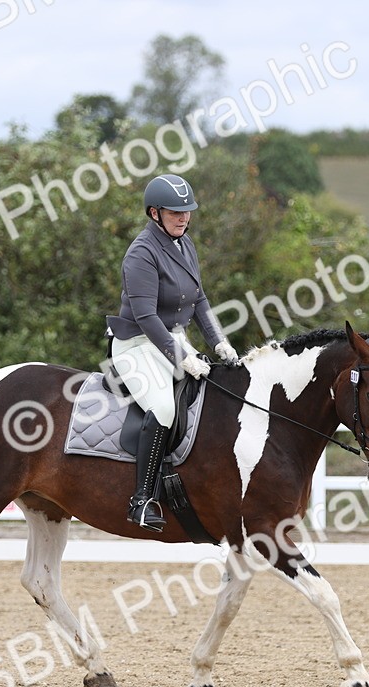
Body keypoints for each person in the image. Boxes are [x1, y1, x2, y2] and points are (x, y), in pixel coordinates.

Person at [106, 173, 240, 532]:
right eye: (174, 212)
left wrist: (218, 342)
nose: (183, 218)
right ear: (154, 213)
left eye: (187, 212)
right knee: (164, 407)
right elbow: (147, 318)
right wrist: (182, 358)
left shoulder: (185, 244)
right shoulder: (141, 253)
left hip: (173, 340)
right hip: (137, 343)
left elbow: (199, 299)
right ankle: (142, 500)